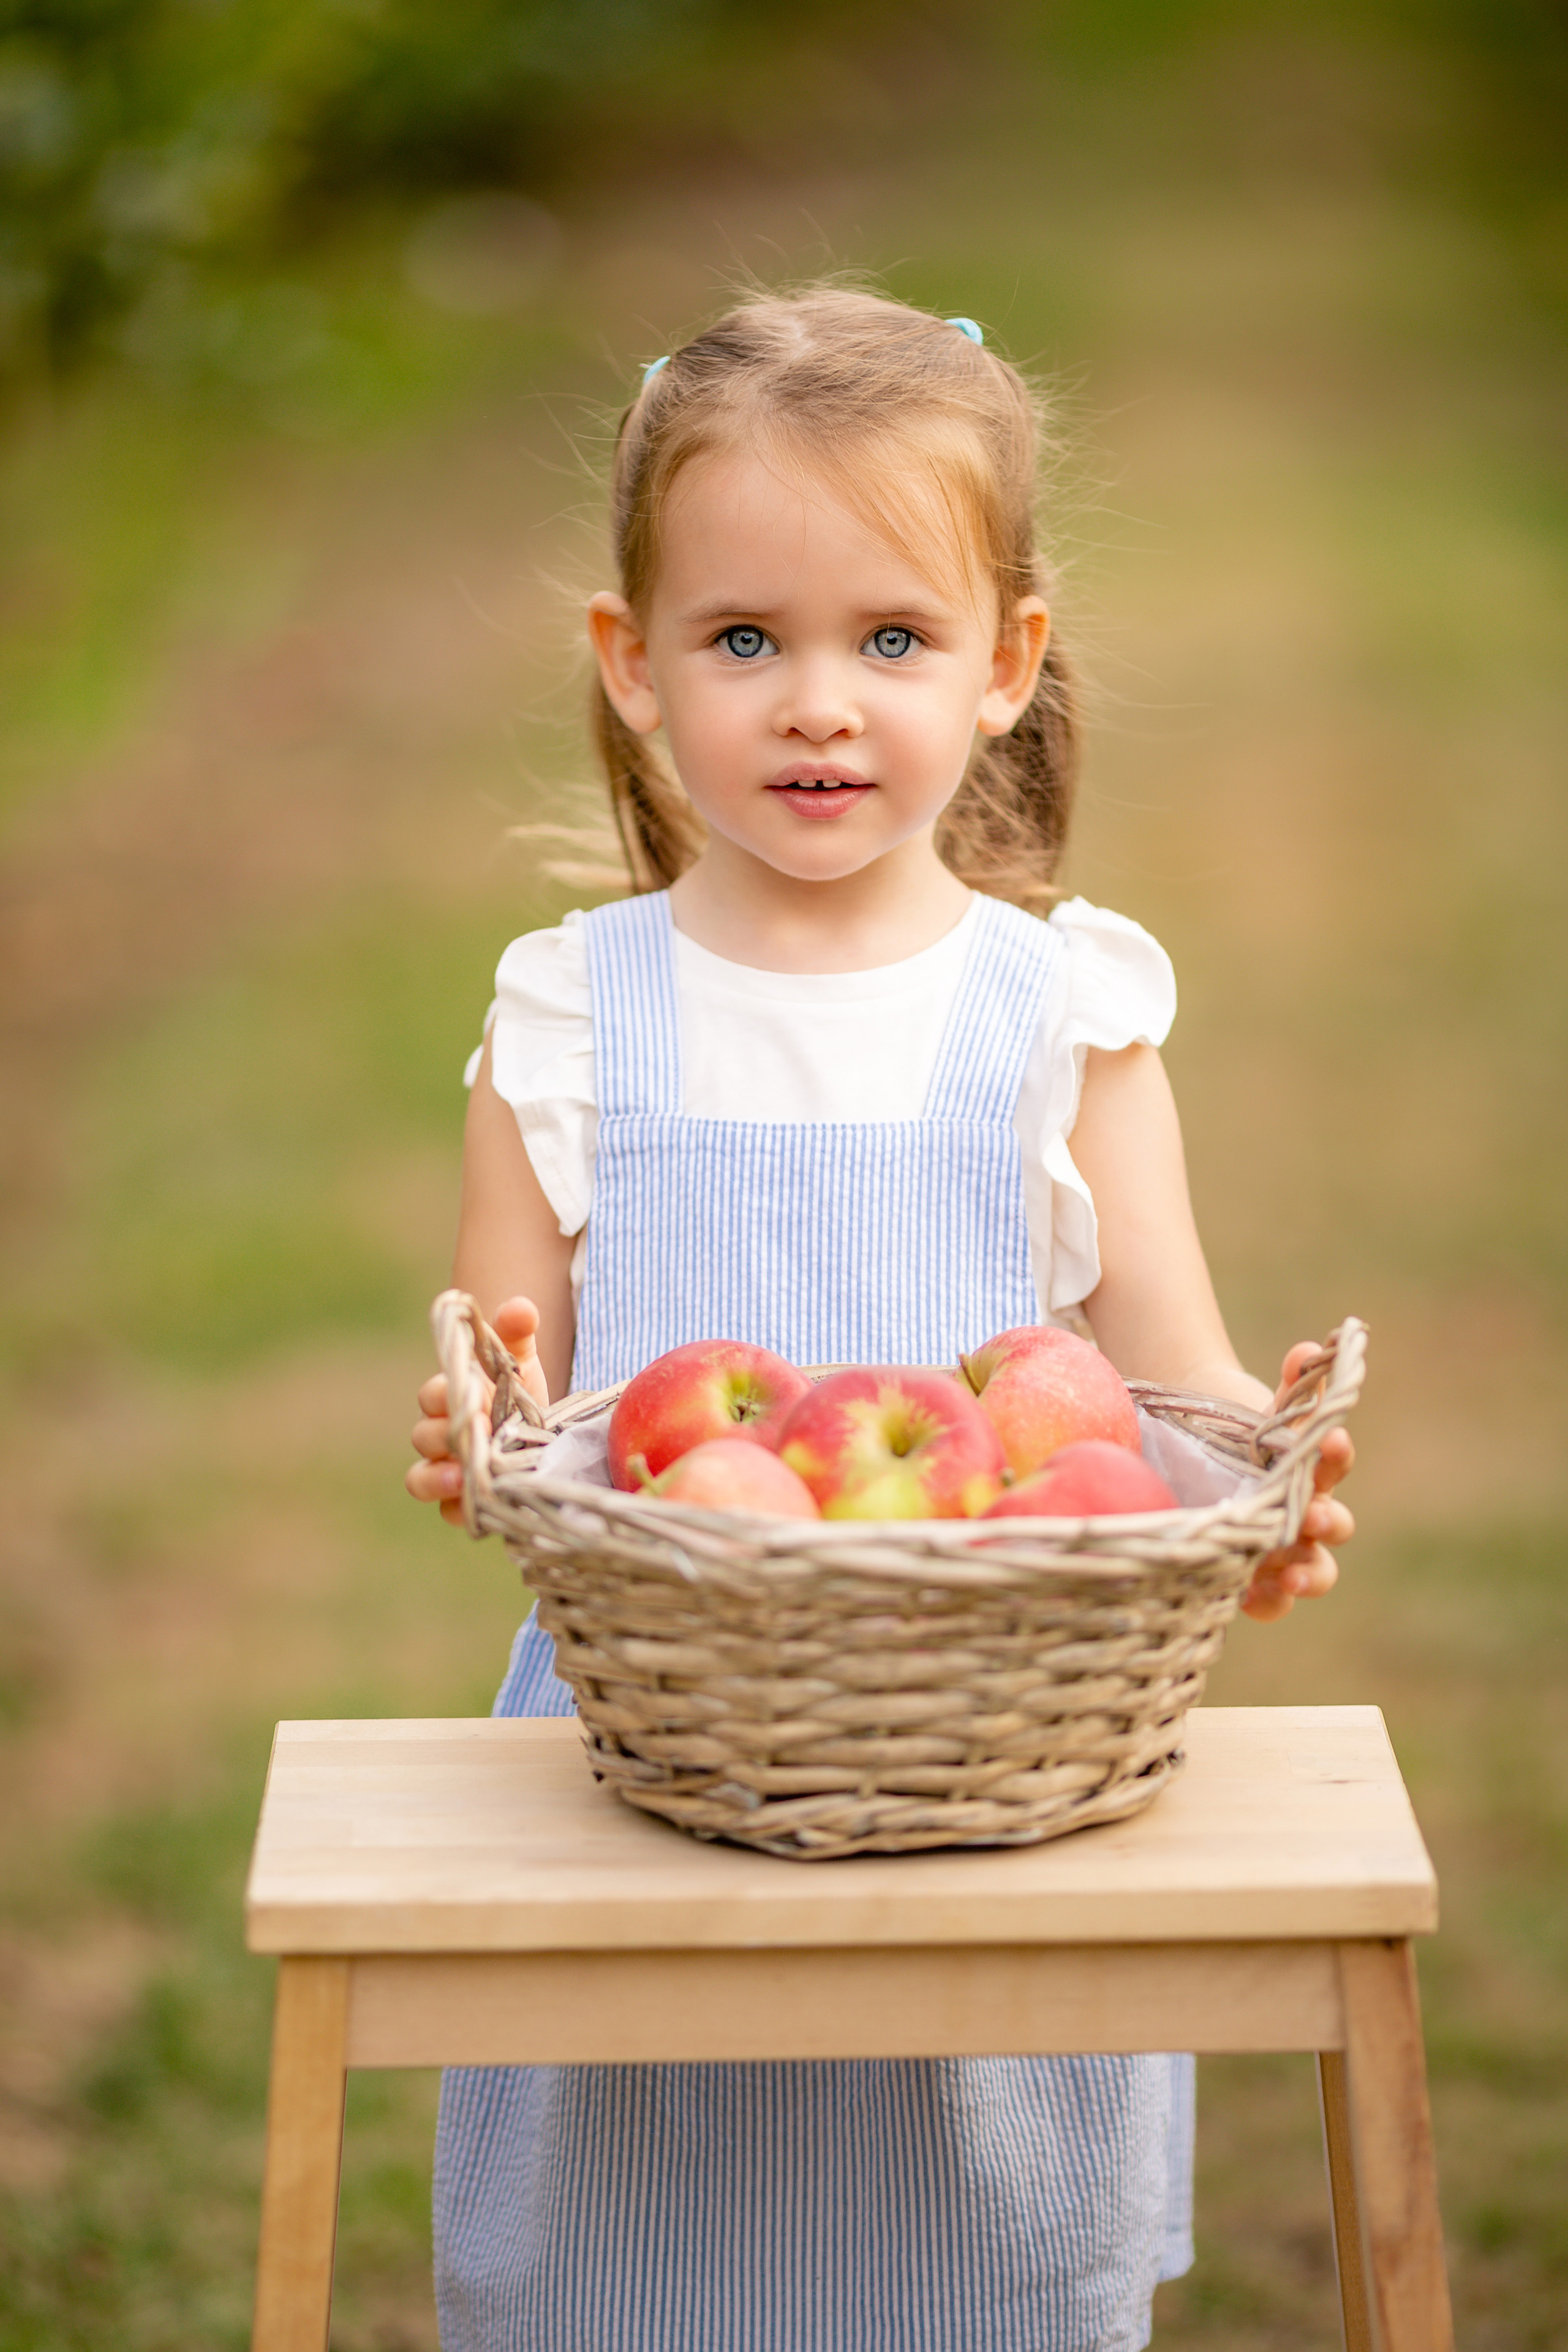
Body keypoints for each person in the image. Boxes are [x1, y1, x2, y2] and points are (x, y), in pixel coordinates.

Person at [406, 286, 1354, 2352]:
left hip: (988, 1763)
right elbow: (526, 1404)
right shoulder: (568, 1018)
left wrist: (1251, 1489)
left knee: (976, 2286)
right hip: (654, 1766)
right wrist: (474, 1416)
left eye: (891, 640)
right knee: (641, 2279)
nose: (818, 702)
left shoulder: (1062, 1013)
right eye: (745, 638)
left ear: (1007, 663)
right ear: (632, 668)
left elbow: (1167, 1387)